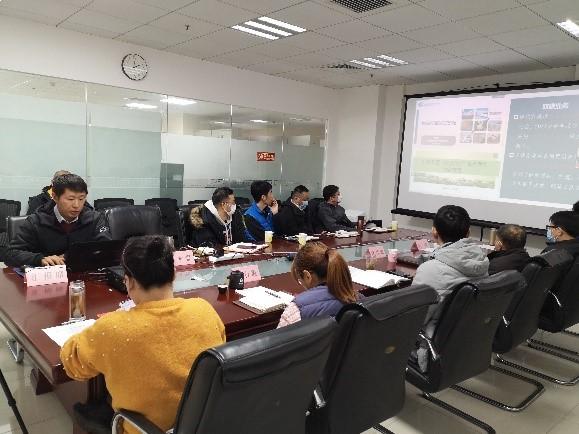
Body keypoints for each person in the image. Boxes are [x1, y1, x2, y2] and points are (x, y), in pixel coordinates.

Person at [61, 235, 226, 434]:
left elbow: (72, 364)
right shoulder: (204, 310)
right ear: (174, 275)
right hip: (202, 424)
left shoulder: (113, 328)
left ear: (128, 282)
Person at [412, 205, 489, 372]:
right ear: (468, 232)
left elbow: (414, 321)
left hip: (431, 350)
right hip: (469, 341)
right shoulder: (481, 261)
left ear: (434, 231)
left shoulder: (430, 270)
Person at [4, 174, 110, 267]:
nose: (77, 205)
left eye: (81, 199)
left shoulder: (95, 218)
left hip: (84, 275)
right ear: (55, 197)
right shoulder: (36, 221)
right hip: (48, 278)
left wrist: (70, 256)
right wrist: (39, 259)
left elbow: (107, 249)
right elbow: (11, 254)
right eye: (70, 199)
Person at [278, 242, 358, 327]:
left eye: (300, 281)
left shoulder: (295, 311)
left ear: (307, 276)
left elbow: (279, 335)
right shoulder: (357, 298)